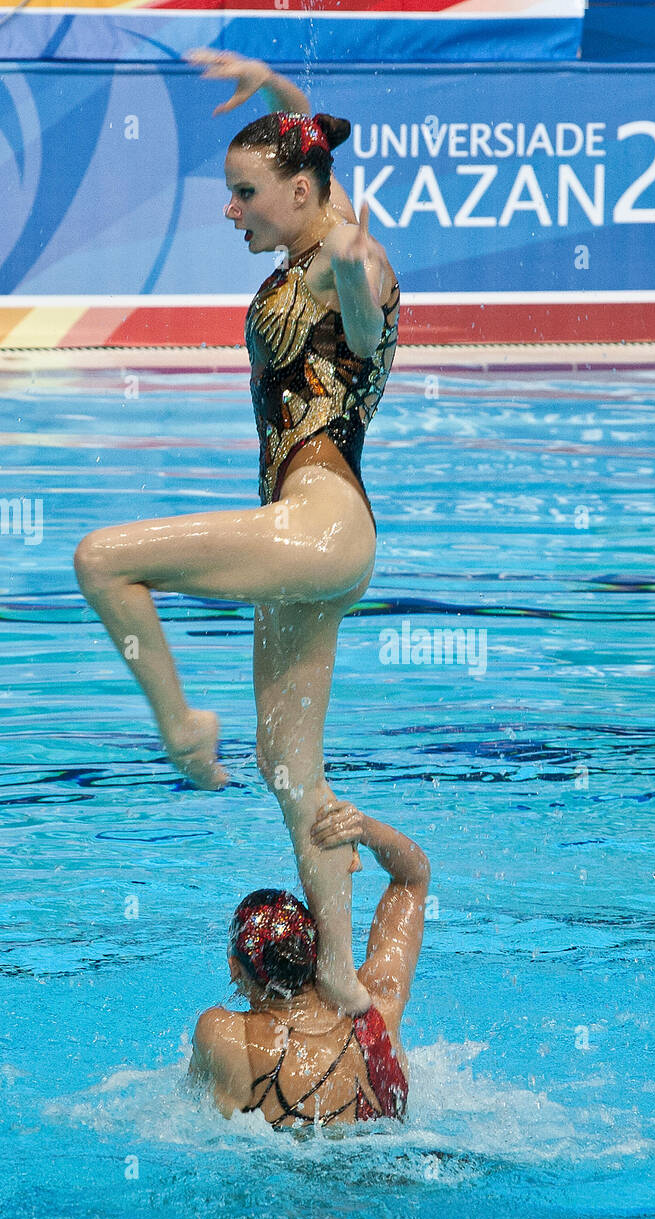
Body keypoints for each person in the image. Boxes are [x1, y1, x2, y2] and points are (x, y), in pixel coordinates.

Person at [73, 52, 400, 1014]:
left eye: (243, 193)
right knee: (291, 769)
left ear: (300, 194)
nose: (230, 210)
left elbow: (368, 323)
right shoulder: (313, 219)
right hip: (319, 546)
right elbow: (313, 148)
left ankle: (181, 725)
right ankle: (343, 989)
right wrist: (277, 90)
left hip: (317, 525)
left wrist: (352, 274)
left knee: (103, 561)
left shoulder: (355, 259)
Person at [189, 802, 430, 1128]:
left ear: (235, 967)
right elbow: (412, 878)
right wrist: (361, 829)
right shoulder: (379, 1010)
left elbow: (185, 1110)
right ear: (317, 950)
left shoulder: (221, 1035)